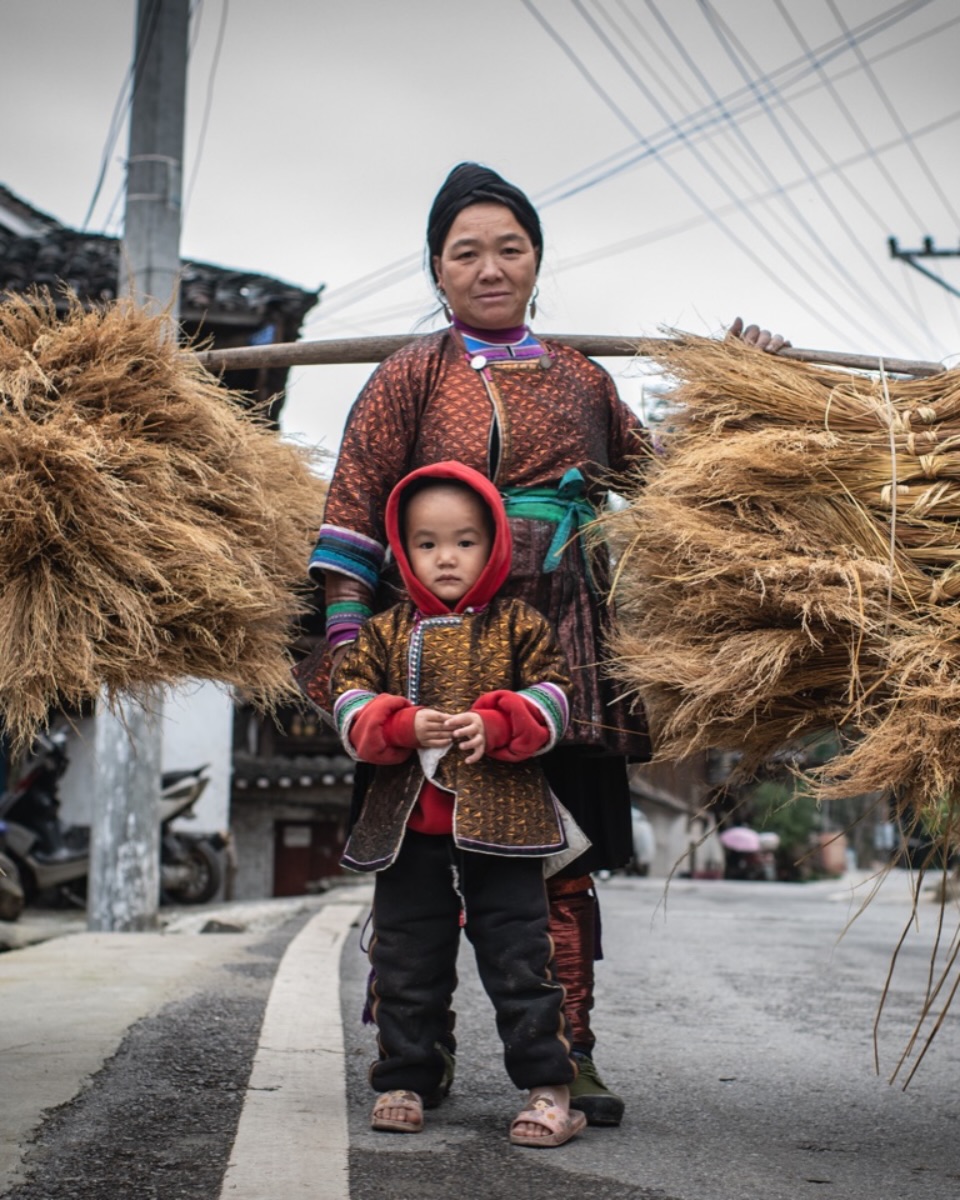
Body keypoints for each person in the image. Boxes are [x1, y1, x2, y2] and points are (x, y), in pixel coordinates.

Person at [301, 160, 787, 1127]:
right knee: (415, 866)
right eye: (466, 252)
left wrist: (744, 388)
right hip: (428, 649)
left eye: (509, 249)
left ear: (537, 261)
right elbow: (353, 514)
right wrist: (353, 643)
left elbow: (672, 489)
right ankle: (415, 1054)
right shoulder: (406, 376)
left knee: (558, 860)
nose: (490, 268)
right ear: (437, 270)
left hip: (556, 644)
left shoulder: (584, 380)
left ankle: (571, 1051)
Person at [331, 460, 586, 1148]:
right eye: (427, 543)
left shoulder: (521, 627)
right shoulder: (382, 634)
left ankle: (550, 1088)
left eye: (465, 541)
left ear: (495, 545)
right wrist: (396, 724)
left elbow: (555, 697)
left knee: (519, 960)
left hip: (503, 829)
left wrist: (502, 725)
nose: (446, 557)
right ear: (402, 550)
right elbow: (348, 703)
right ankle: (407, 1080)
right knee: (407, 960)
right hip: (409, 829)